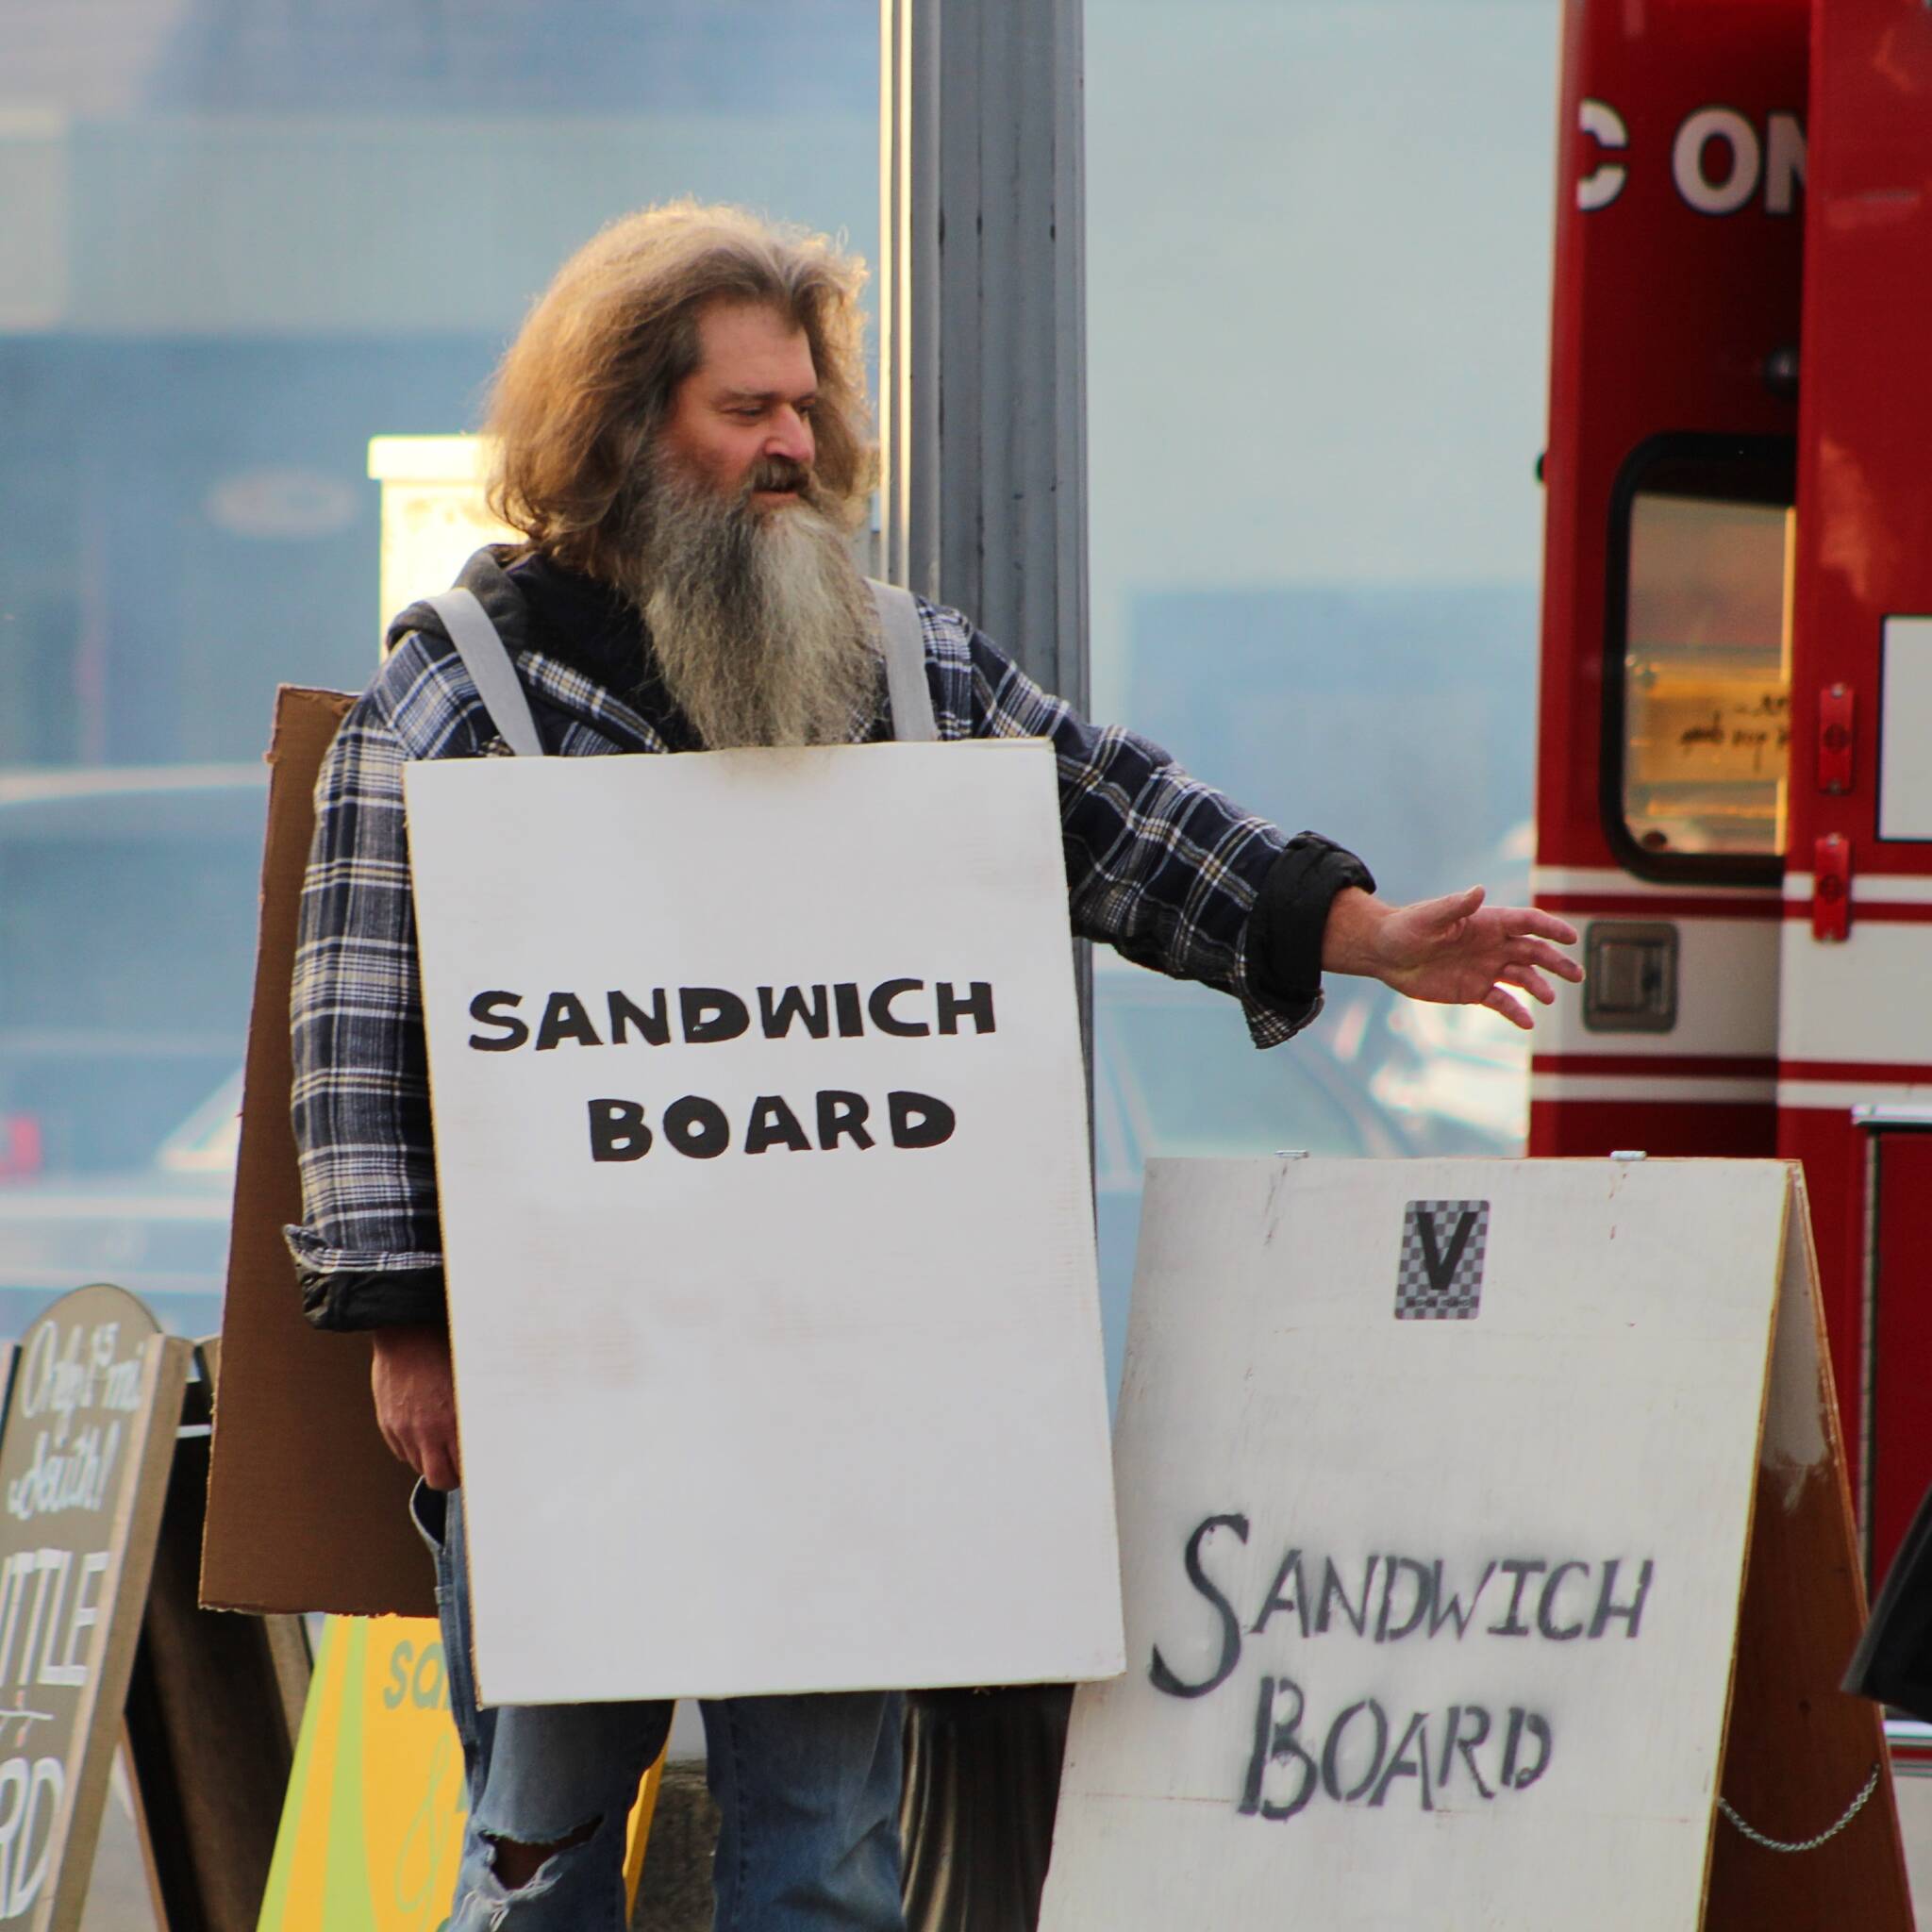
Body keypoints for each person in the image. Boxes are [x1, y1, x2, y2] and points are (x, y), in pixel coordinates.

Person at [286, 200, 1580, 1931]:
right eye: (744, 410)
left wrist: (1362, 930)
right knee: (537, 1870)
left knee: (827, 1867)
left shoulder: (896, 665)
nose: (792, 446)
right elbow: (356, 1039)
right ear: (619, 428)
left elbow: (1114, 817)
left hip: (839, 1389)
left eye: (805, 407)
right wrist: (407, 1330)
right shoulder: (454, 698)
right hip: (563, 1393)